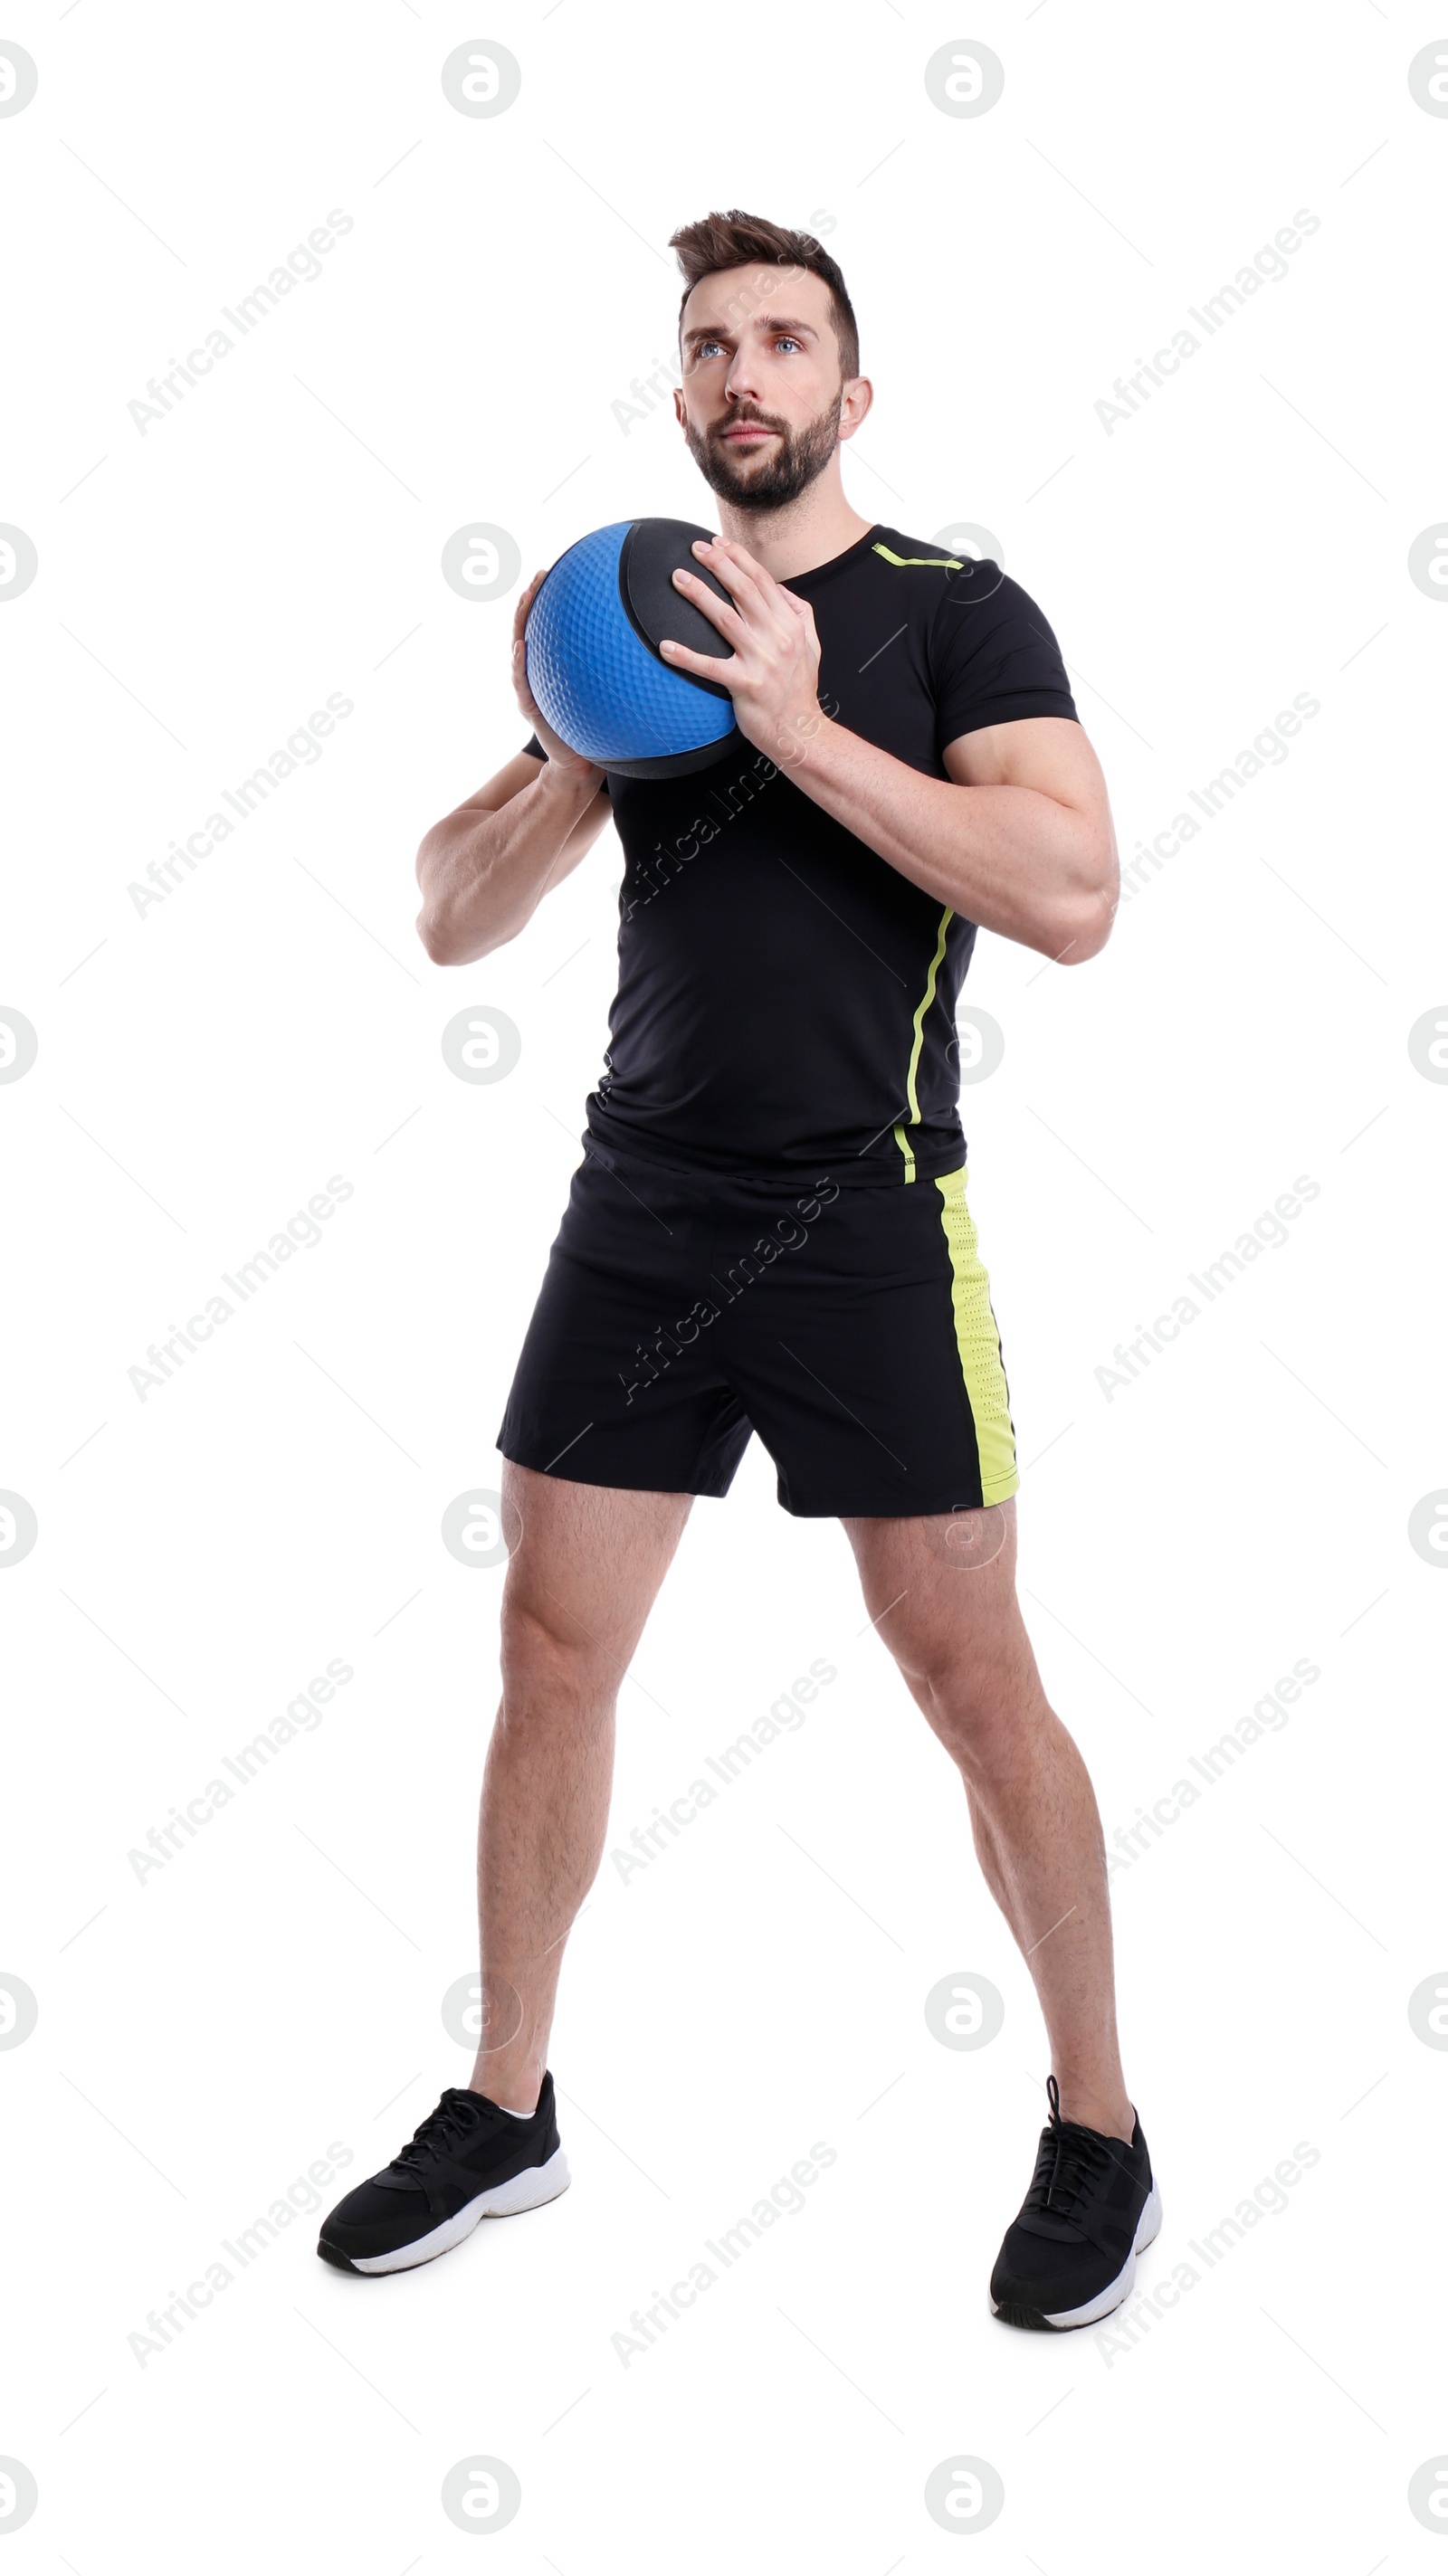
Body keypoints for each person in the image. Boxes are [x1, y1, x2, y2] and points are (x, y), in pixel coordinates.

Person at [319, 209, 1160, 2331]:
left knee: (969, 1676)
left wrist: (791, 725)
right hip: (640, 1201)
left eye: (784, 338)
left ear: (849, 394)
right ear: (682, 397)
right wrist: (584, 745)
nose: (744, 373)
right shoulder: (628, 617)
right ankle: (506, 2099)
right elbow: (441, 914)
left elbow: (1069, 893)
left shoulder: (957, 619)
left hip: (869, 1206)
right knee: (551, 1649)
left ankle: (1099, 2123)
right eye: (709, 346)